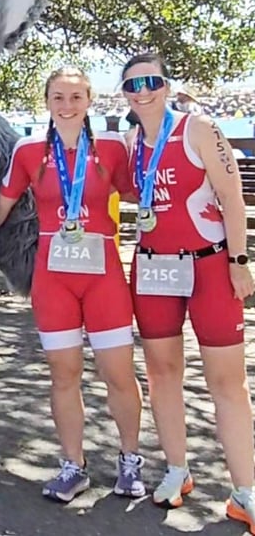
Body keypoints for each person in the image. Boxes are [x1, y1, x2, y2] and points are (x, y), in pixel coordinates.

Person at [0, 66, 144, 503]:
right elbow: (2, 203)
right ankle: (73, 466)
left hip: (103, 276)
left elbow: (138, 192)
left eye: (76, 97)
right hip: (53, 278)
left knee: (118, 372)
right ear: (47, 102)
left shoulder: (111, 147)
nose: (67, 105)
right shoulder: (29, 150)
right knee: (63, 373)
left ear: (90, 101)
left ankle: (130, 460)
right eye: (58, 97)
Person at [121, 53, 255, 528]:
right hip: (154, 270)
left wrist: (239, 261)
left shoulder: (198, 128)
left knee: (227, 381)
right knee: (161, 373)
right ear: (124, 94)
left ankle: (245, 490)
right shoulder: (130, 142)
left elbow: (232, 199)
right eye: (132, 85)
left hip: (209, 266)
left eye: (151, 81)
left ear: (166, 85)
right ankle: (178, 470)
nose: (143, 91)